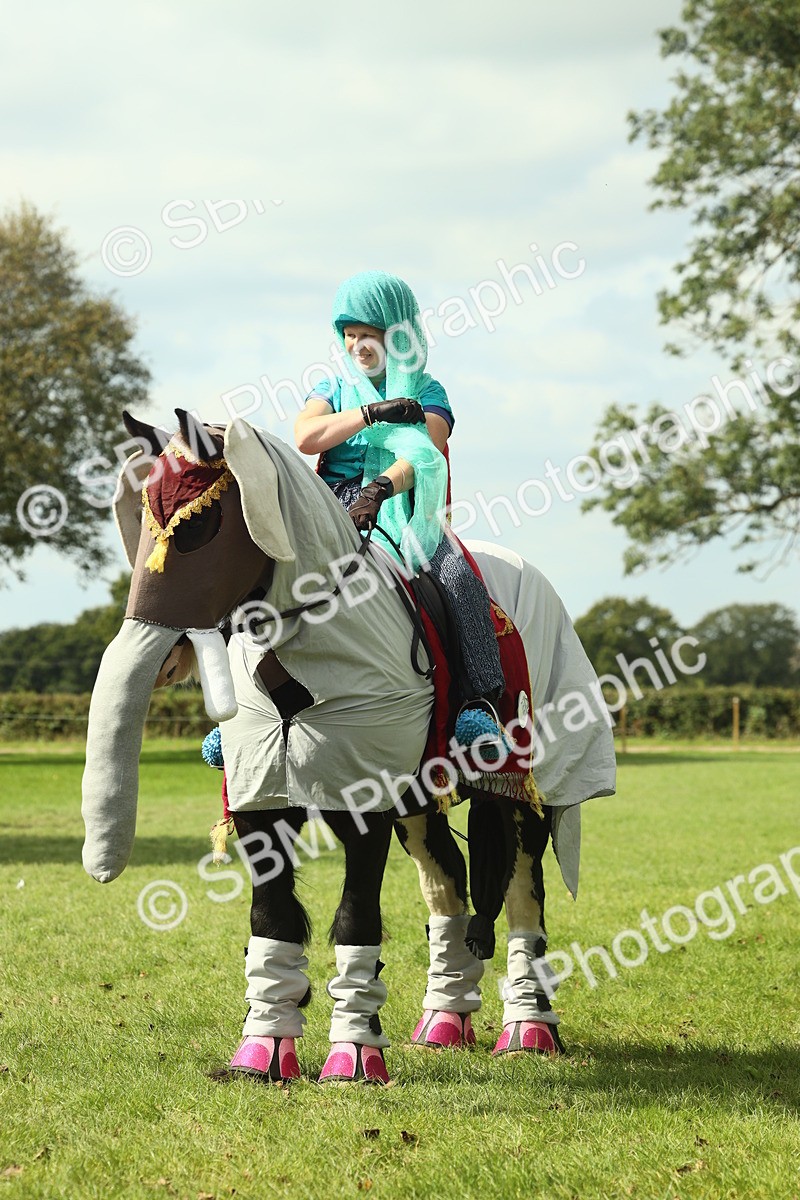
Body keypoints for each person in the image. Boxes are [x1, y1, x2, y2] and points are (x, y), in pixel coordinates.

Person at [294, 269, 505, 713]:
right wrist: (371, 413)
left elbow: (427, 454)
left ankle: (480, 702)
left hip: (404, 507)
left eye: (368, 334)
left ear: (398, 335)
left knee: (456, 577)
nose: (357, 345)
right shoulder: (332, 388)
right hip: (329, 504)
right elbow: (306, 437)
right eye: (349, 335)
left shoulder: (429, 391)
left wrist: (379, 489)